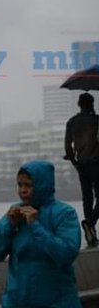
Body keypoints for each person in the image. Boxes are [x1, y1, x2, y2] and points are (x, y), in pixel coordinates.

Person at [0, 160, 85, 308]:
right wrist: (9, 226)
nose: (22, 190)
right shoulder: (14, 214)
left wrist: (35, 226)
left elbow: (65, 254)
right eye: (20, 184)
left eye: (28, 185)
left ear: (43, 185)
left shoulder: (65, 214)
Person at [65, 93, 99, 249]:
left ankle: (91, 234)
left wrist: (75, 163)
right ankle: (90, 223)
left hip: (82, 165)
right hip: (96, 163)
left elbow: (68, 147)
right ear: (91, 104)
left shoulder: (71, 122)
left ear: (79, 105)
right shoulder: (96, 120)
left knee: (87, 198)